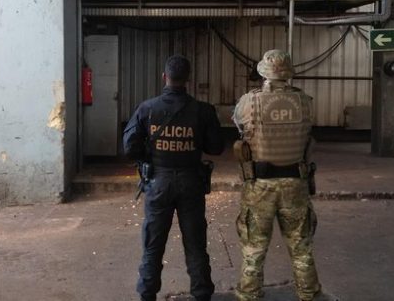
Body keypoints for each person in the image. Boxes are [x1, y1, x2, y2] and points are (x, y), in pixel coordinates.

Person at [232, 50, 336, 301]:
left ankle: (249, 294)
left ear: (263, 73)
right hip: (295, 184)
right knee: (301, 248)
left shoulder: (248, 101)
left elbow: (239, 126)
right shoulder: (304, 101)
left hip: (259, 186)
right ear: (288, 73)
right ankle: (309, 293)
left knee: (254, 248)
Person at [123, 55, 224, 301]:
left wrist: (148, 155)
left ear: (164, 77)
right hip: (191, 183)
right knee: (196, 245)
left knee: (153, 246)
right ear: (188, 79)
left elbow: (129, 148)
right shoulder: (203, 110)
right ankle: (201, 294)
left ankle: (147, 295)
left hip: (158, 183)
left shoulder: (147, 109)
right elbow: (216, 147)